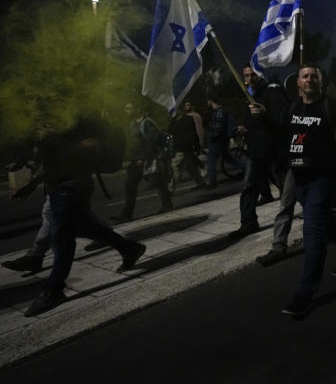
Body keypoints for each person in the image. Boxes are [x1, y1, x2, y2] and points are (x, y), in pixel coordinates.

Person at [12, 116, 146, 316]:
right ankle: (130, 248)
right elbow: (50, 161)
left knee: (61, 235)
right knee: (85, 227)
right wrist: (31, 184)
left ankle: (54, 289)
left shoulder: (76, 116)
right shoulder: (50, 125)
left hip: (73, 186)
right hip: (58, 188)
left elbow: (92, 149)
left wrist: (55, 138)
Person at [271, 65, 336, 317]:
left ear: (320, 82)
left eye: (314, 76)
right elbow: (280, 137)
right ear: (298, 83)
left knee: (312, 230)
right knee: (326, 221)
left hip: (324, 178)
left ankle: (304, 293)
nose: (310, 79)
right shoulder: (292, 109)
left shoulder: (333, 107)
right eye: (305, 76)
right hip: (299, 178)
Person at [228, 65, 288, 239]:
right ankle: (248, 223)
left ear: (259, 76)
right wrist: (244, 129)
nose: (249, 78)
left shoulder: (271, 92)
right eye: (246, 75)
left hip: (272, 150)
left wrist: (265, 113)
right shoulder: (250, 96)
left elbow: (281, 118)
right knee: (249, 187)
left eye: (252, 74)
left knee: (288, 186)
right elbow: (252, 123)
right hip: (256, 151)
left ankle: (313, 208)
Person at [114, 102, 172, 222]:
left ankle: (167, 206)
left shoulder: (147, 123)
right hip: (136, 161)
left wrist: (143, 157)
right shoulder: (132, 124)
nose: (126, 111)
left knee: (159, 183)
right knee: (130, 185)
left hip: (147, 160)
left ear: (138, 109)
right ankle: (127, 214)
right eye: (126, 108)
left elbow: (151, 142)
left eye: (129, 108)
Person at [204, 95, 240, 188]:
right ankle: (246, 168)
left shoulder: (219, 111)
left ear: (210, 101)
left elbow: (219, 127)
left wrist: (210, 130)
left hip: (217, 140)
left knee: (211, 160)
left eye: (207, 101)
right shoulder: (217, 111)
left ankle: (212, 182)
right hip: (220, 139)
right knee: (228, 158)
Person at [169, 107, 206, 191]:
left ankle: (170, 189)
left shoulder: (188, 119)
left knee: (176, 167)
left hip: (184, 147)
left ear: (179, 110)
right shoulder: (174, 121)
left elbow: (193, 133)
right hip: (180, 147)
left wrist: (196, 146)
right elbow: (170, 131)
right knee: (190, 166)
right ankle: (200, 182)